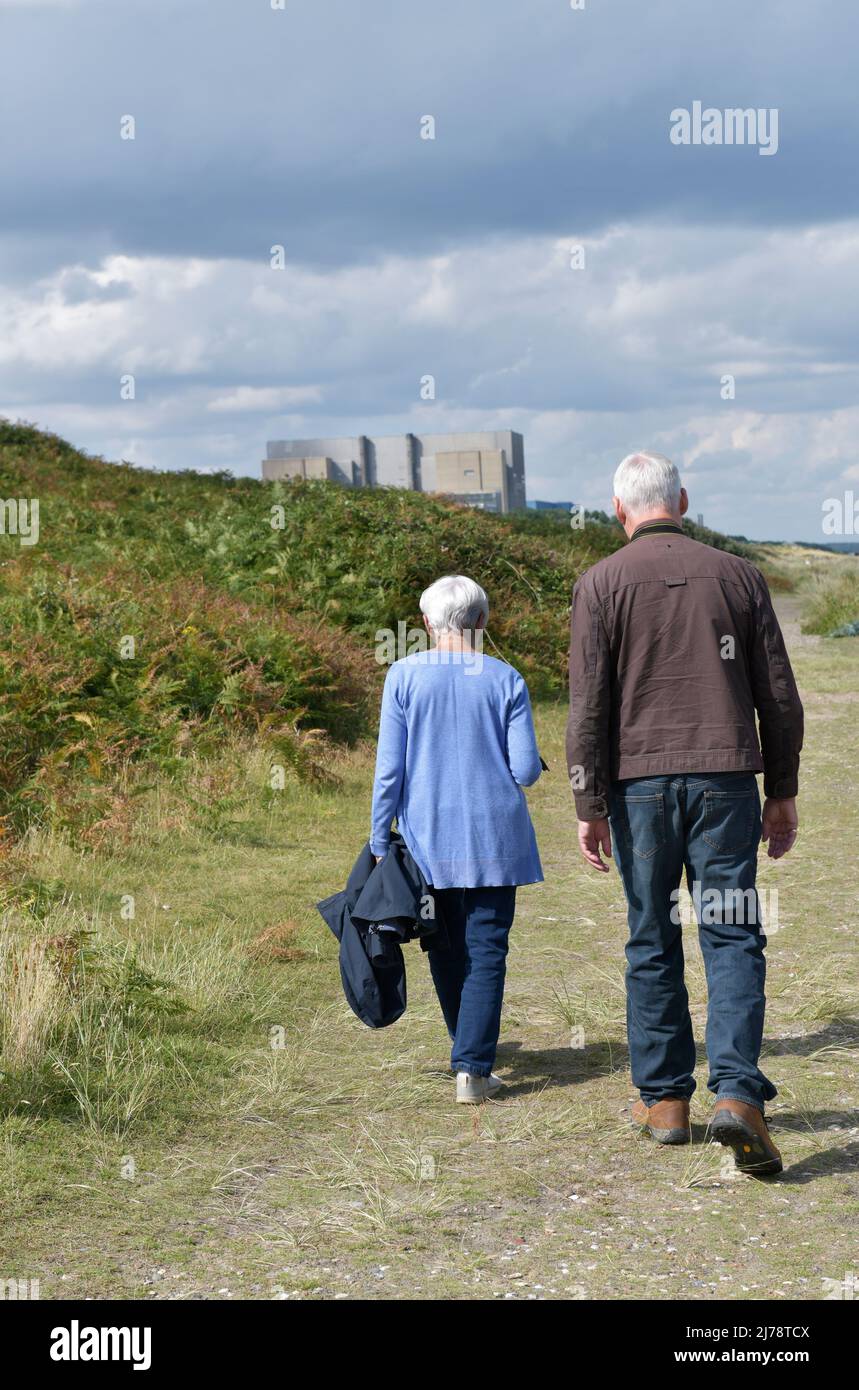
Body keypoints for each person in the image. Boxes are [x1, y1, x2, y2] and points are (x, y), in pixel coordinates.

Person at [566, 453, 803, 1175]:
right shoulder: (738, 575)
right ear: (683, 500)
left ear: (617, 509)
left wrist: (588, 802)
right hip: (725, 781)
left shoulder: (599, 583)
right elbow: (779, 696)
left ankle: (665, 1101)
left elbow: (588, 709)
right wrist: (781, 790)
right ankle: (735, 1094)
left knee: (649, 936)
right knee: (730, 934)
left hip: (636, 787)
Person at [370, 574, 543, 1103]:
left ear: (426, 622)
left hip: (427, 837)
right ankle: (473, 1066)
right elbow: (527, 770)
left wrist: (381, 838)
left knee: (442, 944)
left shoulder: (402, 675)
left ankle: (465, 1050)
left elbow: (389, 771)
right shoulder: (506, 678)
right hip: (495, 835)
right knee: (487, 947)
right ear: (483, 621)